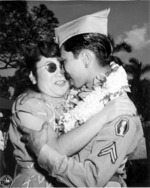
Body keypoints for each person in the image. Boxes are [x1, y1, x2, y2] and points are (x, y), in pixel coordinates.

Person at [20, 8, 144, 187]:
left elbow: (91, 179)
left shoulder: (120, 112)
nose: (62, 71)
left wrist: (42, 152)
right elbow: (58, 145)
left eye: (64, 62)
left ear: (85, 59)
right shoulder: (76, 100)